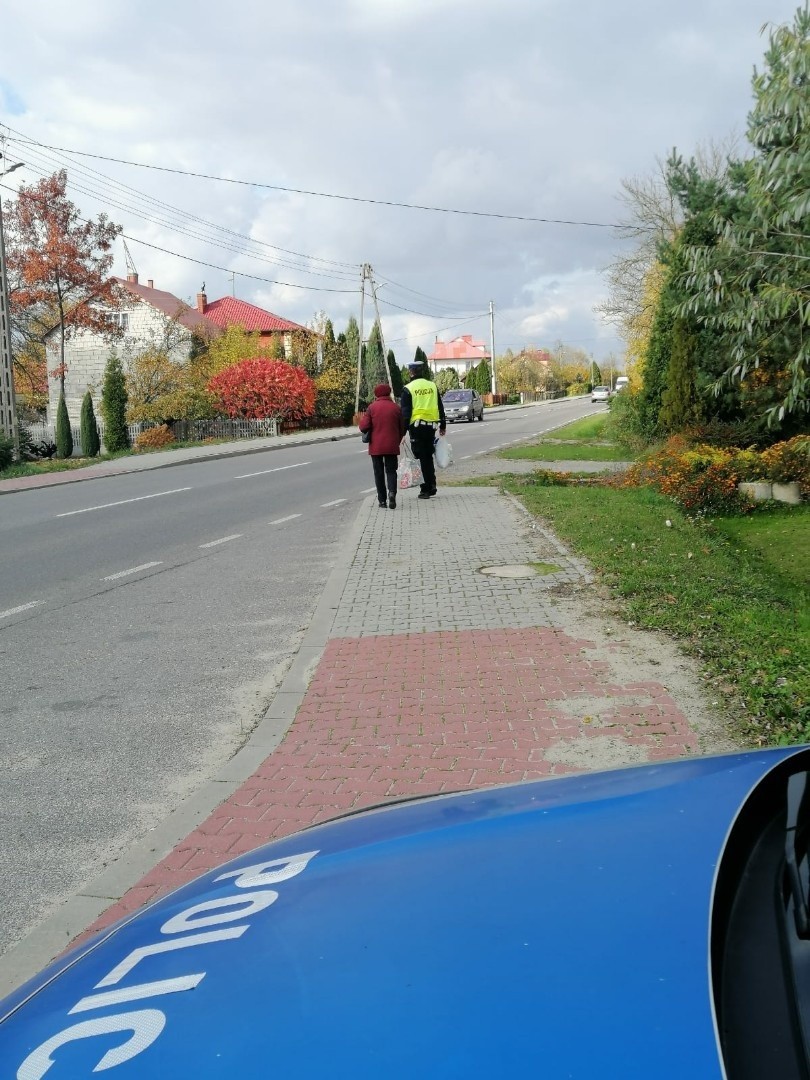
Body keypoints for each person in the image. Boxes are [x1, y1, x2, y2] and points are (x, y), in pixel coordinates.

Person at [400, 361, 446, 499]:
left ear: (410, 372)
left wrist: (402, 433)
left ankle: (425, 489)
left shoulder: (408, 388)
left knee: (421, 458)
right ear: (421, 371)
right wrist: (443, 425)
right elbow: (440, 406)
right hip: (431, 427)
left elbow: (406, 414)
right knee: (428, 456)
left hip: (417, 428)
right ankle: (432, 485)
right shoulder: (432, 385)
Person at [358, 383, 404, 509]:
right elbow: (402, 428)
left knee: (378, 473)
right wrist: (397, 439)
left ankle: (382, 501)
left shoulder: (372, 408)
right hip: (392, 446)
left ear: (376, 394)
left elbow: (363, 427)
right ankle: (392, 493)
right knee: (391, 471)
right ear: (389, 393)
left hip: (376, 447)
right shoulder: (396, 408)